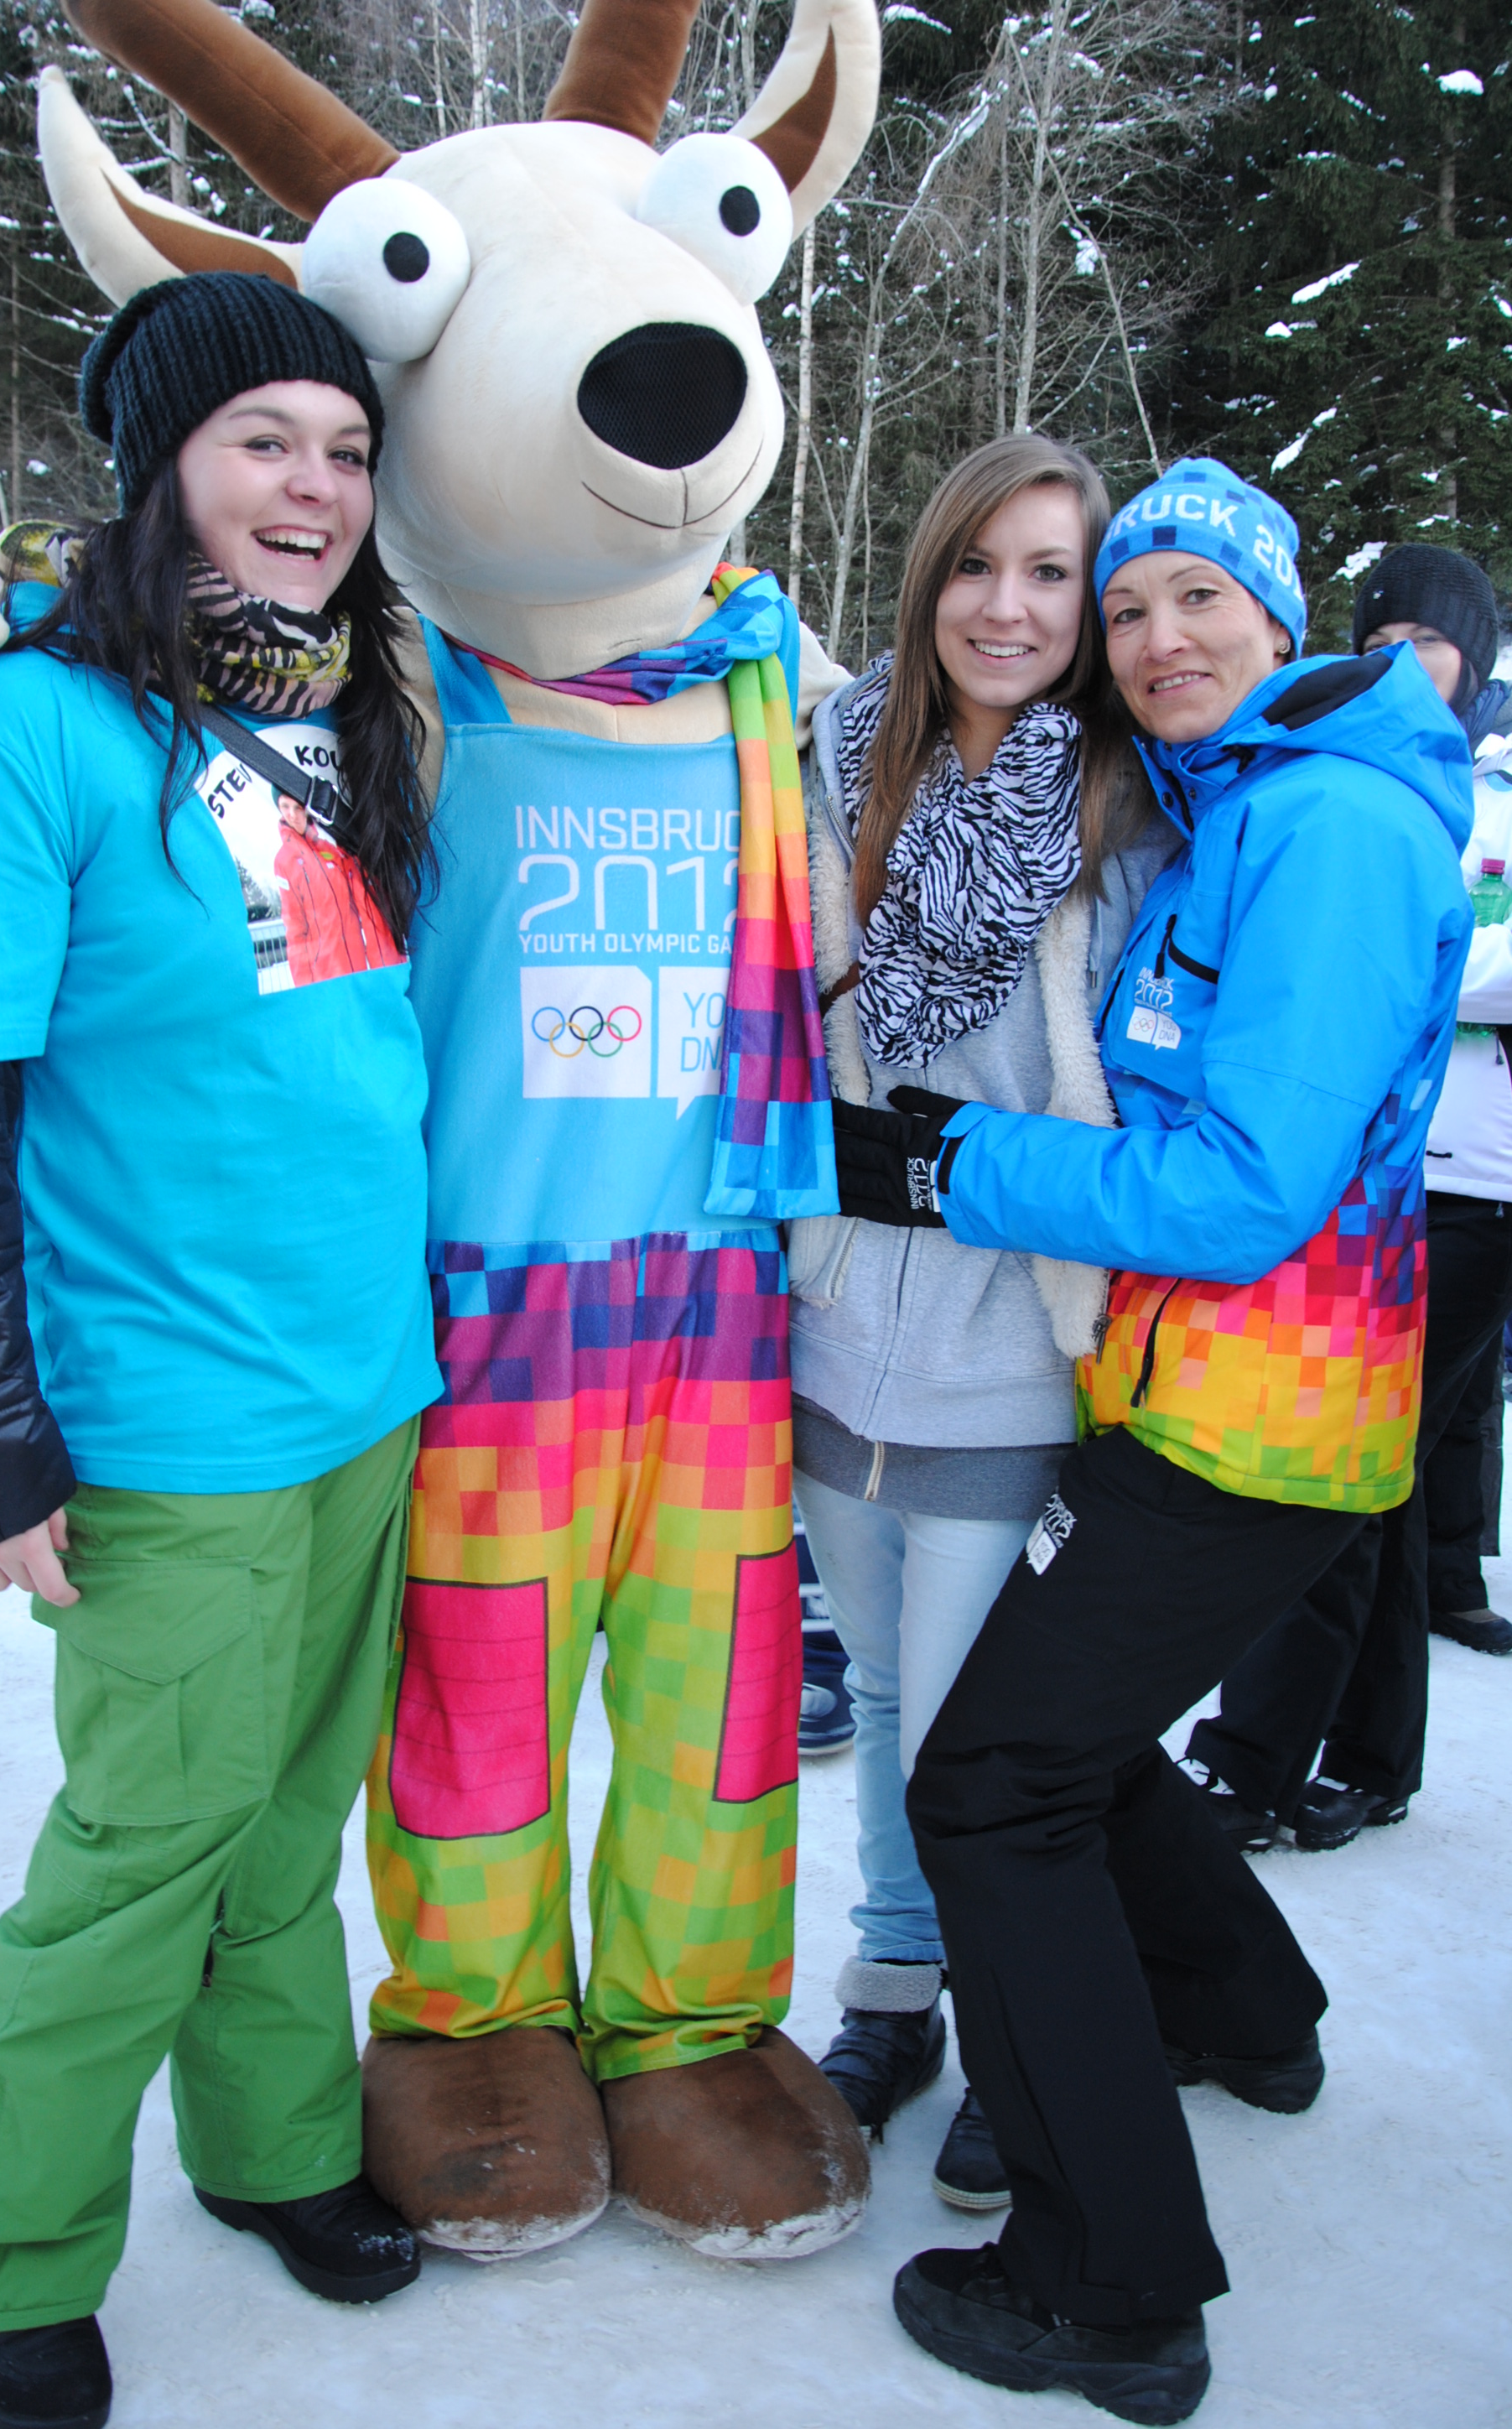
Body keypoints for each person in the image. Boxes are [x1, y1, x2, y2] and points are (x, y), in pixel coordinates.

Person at [831, 458, 1472, 2421]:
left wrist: (943, 1163)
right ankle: (1246, 2010)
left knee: (990, 1782)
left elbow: (1241, 1191)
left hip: (1255, 1428)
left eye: (1200, 597)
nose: (1158, 636)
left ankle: (1108, 2284)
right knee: (1070, 1743)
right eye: (1131, 607)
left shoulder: (1330, 827)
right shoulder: (1241, 804)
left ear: (1283, 617)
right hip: (1205, 1405)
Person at [0, 273, 443, 2429]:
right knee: (144, 1849)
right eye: (262, 441)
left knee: (288, 1818)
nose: (316, 487)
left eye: (346, 448)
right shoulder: (20, 731)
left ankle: (277, 2144)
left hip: (364, 1390)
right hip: (166, 1415)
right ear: (159, 468)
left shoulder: (344, 707)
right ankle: (16, 2254)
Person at [789, 434, 1174, 2204]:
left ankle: (1025, 2029)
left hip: (1013, 1350)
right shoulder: (833, 759)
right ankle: (895, 1988)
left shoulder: (1124, 808)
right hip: (835, 1333)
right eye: (975, 564)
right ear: (927, 573)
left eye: (1049, 573)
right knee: (880, 1695)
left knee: (976, 1736)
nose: (1004, 607)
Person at [1183, 542, 1512, 1856]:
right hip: (1391, 1183)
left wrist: (1420, 956)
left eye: (1425, 642)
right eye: (1376, 641)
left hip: (1474, 1192)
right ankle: (1367, 1754)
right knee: (1381, 1480)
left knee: (1343, 1483)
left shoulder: (1469, 792)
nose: (1399, 665)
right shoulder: (1356, 779)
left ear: (1473, 655)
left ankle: (1266, 1762)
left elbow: (1451, 959)